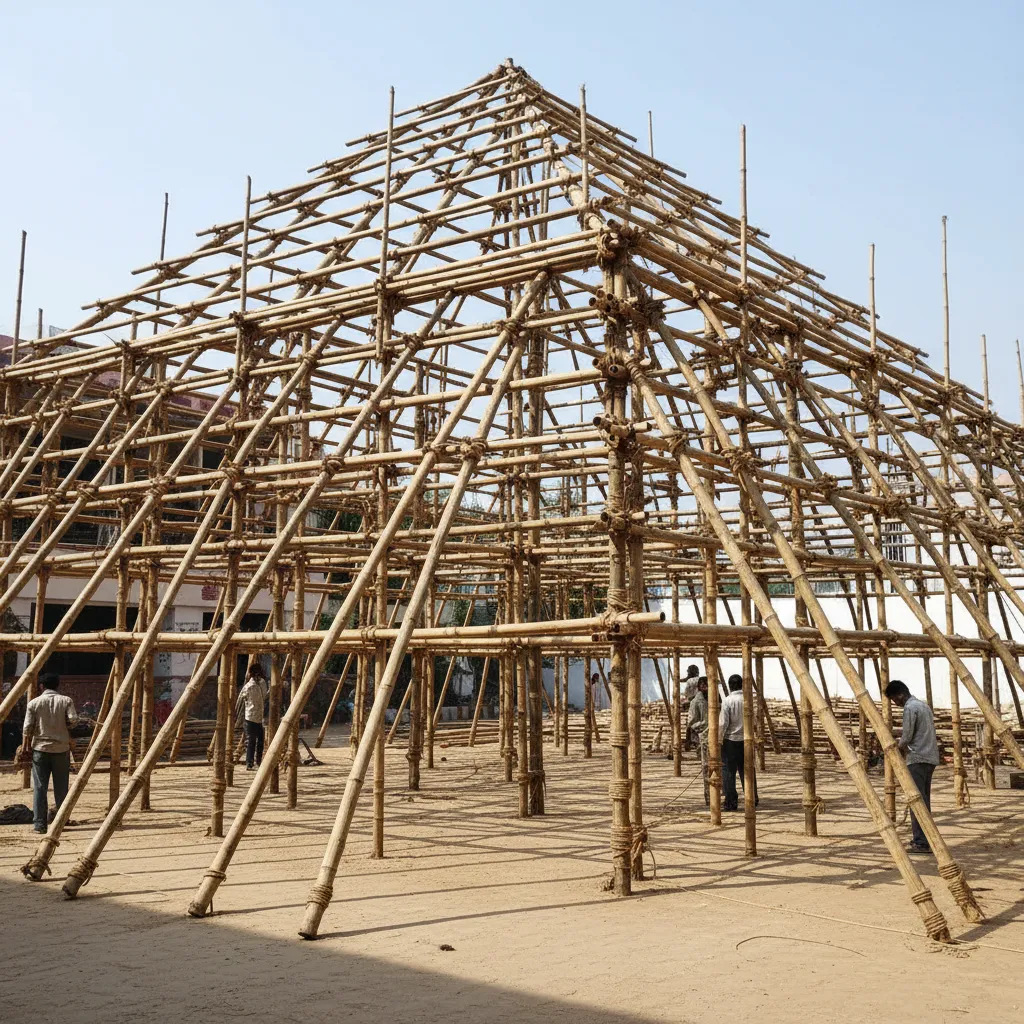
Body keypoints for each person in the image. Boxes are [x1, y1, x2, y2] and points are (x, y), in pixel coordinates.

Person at [18, 673, 78, 834]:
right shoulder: (66, 701)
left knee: (39, 788)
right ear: (58, 685)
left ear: (41, 686)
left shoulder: (34, 703)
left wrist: (25, 747)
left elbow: (27, 727)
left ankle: (39, 825)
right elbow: (73, 719)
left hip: (40, 749)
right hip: (61, 750)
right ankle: (60, 823)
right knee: (61, 788)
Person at [886, 679, 940, 853]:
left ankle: (921, 842)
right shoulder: (924, 706)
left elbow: (907, 735)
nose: (896, 704)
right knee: (924, 801)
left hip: (916, 758)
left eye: (895, 700)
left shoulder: (910, 708)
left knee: (917, 802)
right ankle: (926, 839)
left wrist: (896, 746)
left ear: (900, 694)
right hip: (930, 758)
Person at [719, 673, 757, 812]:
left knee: (728, 771)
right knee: (747, 769)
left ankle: (731, 801)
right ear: (741, 685)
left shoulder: (728, 701)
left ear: (730, 686)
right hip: (746, 740)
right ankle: (752, 797)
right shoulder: (748, 700)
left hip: (730, 740)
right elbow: (754, 720)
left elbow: (723, 723)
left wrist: (718, 740)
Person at [235, 661, 268, 771]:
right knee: (251, 741)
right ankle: (249, 763)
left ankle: (258, 762)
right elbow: (240, 700)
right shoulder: (249, 686)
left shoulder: (262, 683)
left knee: (260, 741)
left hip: (258, 717)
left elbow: (264, 697)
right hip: (250, 718)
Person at [686, 676, 710, 805]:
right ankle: (709, 796)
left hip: (718, 737)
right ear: (700, 686)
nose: (706, 687)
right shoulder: (696, 701)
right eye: (703, 685)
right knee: (706, 767)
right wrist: (702, 731)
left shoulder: (716, 698)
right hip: (705, 738)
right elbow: (691, 721)